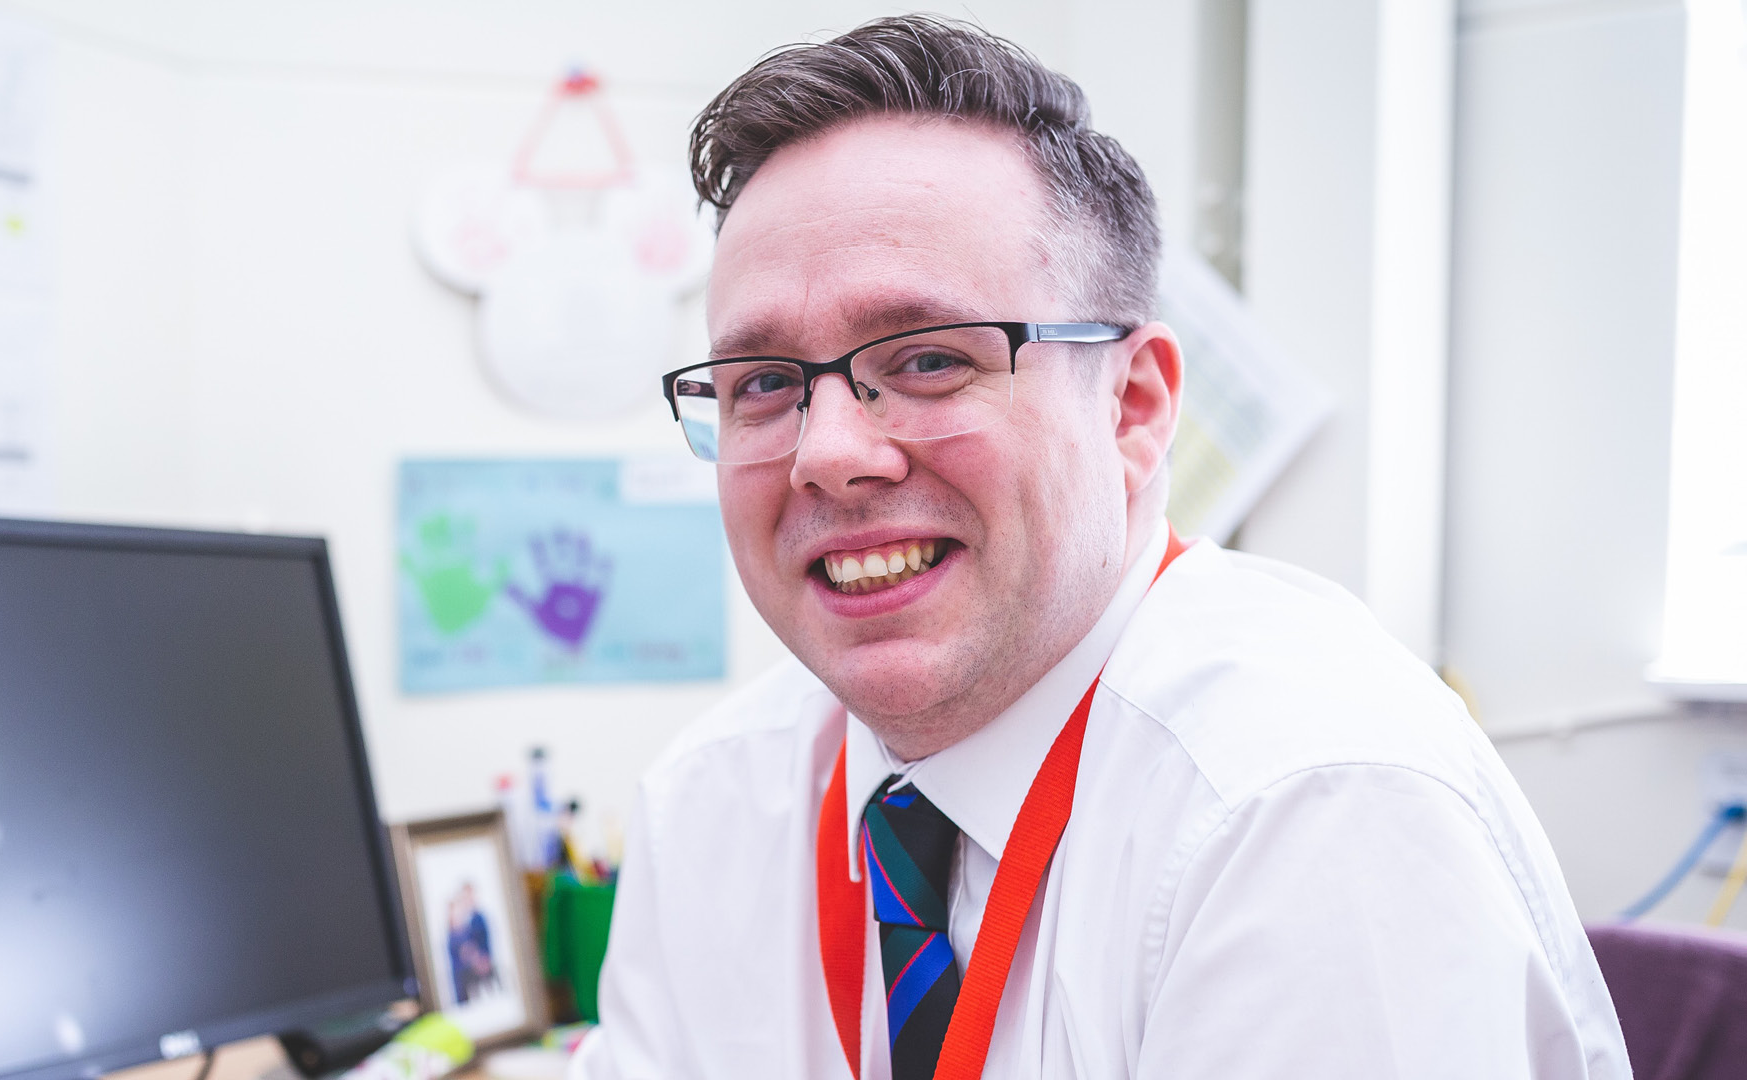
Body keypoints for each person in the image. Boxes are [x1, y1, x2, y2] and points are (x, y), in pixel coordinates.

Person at [571, 16, 1629, 1080]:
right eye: (762, 384)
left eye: (931, 358)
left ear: (1132, 406)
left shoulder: (1306, 806)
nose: (829, 455)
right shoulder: (710, 804)